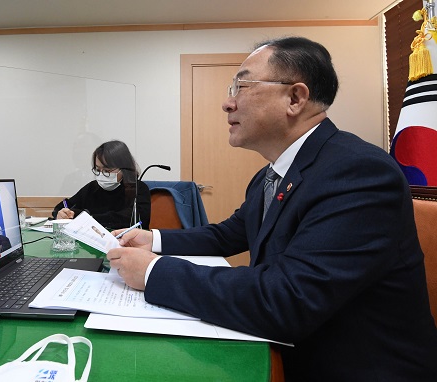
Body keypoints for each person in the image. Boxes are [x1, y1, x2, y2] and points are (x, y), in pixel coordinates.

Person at [107, 37, 437, 381]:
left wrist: (153, 273)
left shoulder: (359, 172)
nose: (226, 103)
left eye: (241, 86)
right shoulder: (271, 174)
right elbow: (228, 234)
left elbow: (288, 299)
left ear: (295, 98)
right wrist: (154, 241)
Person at [52, 140, 151, 230]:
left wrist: (86, 217)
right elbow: (63, 206)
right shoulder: (92, 188)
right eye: (98, 170)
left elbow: (132, 219)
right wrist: (61, 214)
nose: (101, 175)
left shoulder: (139, 189)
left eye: (107, 170)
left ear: (124, 168)